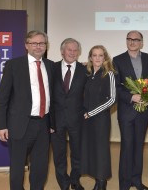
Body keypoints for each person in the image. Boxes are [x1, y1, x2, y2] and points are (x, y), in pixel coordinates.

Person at [0, 30, 54, 190]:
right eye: (34, 43)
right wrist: (1, 125)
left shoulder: (50, 66)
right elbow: (2, 98)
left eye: (41, 43)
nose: (38, 46)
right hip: (19, 125)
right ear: (26, 45)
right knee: (17, 169)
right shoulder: (14, 65)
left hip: (43, 125)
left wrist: (52, 122)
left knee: (41, 167)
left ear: (46, 46)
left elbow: (53, 97)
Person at [113, 31, 148, 190]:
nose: (132, 42)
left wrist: (147, 95)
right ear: (126, 41)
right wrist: (132, 97)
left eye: (136, 40)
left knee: (139, 146)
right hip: (126, 111)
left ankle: (136, 180)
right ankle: (124, 183)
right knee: (127, 146)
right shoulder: (117, 60)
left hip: (144, 111)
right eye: (129, 39)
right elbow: (116, 87)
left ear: (141, 43)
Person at [51, 38, 87, 190]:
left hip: (77, 119)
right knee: (59, 154)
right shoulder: (51, 68)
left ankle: (75, 180)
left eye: (75, 50)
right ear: (62, 51)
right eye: (69, 50)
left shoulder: (85, 70)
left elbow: (90, 94)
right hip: (55, 120)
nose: (72, 53)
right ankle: (63, 182)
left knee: (77, 152)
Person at [81, 45, 116, 190]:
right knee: (90, 148)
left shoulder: (109, 74)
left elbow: (112, 99)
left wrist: (91, 113)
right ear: (90, 58)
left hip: (100, 119)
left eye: (100, 55)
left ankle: (101, 181)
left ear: (105, 58)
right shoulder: (87, 74)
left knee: (101, 150)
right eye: (94, 55)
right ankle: (96, 176)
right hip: (86, 119)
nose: (97, 58)